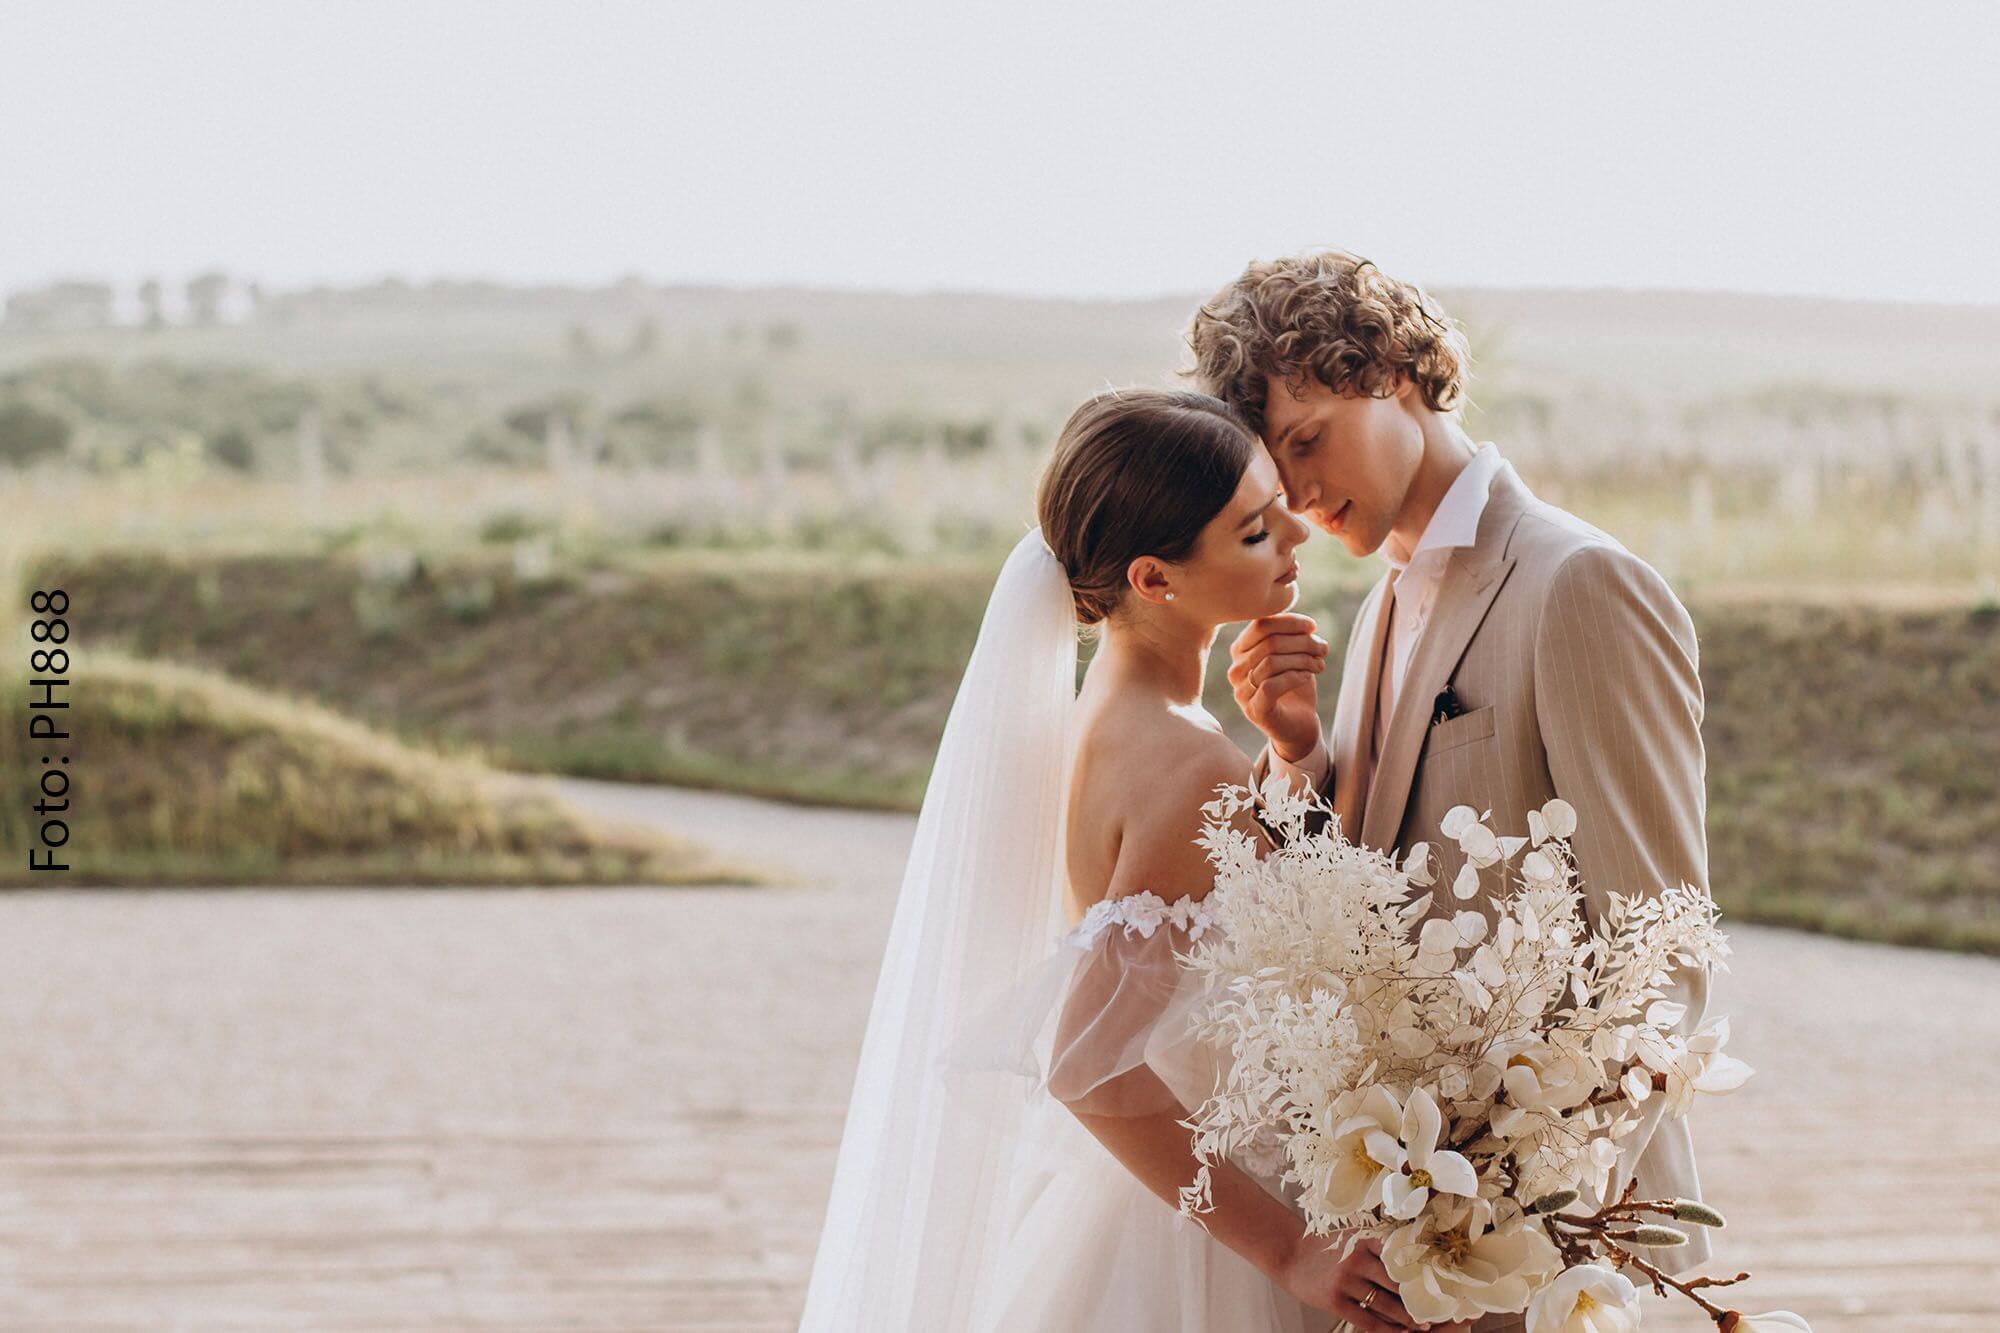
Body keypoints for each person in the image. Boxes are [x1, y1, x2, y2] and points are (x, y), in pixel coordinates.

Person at [797, 387, 1470, 1332]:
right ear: (1155, 578)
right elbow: (1087, 1066)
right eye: (1252, 532)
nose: (1295, 537)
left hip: (1146, 1202)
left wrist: (1285, 753)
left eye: (1278, 506)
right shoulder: (1183, 760)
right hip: (1200, 1240)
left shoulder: (1101, 721)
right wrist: (1284, 1245)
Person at [1188, 250, 1717, 1333]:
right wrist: (1296, 758)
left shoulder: (1578, 582)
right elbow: (1367, 896)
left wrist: (1521, 1198)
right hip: (1417, 1246)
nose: (1292, 492)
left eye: (1304, 439)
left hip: (1564, 1252)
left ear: (1392, 374)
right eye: (1272, 465)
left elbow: (1659, 950)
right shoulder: (1382, 604)